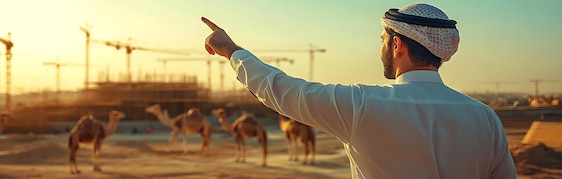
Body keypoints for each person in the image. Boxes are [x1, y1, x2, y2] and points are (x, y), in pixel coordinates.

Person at [202, 3, 517, 179]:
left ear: (397, 45)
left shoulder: (361, 105)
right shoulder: (486, 118)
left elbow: (282, 91)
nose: (380, 46)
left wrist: (231, 50)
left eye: (383, 39)